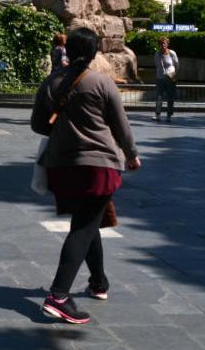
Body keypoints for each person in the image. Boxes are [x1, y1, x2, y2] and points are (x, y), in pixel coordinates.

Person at [30, 27, 141, 325]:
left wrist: (65, 128)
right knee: (83, 225)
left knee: (89, 220)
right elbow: (121, 125)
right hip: (98, 165)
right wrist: (131, 154)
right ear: (94, 53)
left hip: (61, 166)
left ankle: (98, 282)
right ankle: (58, 296)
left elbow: (38, 125)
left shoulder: (51, 82)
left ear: (67, 50)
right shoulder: (102, 82)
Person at [154, 37, 179, 123]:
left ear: (167, 44)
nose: (163, 45)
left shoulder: (172, 53)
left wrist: (173, 74)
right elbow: (157, 66)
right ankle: (158, 115)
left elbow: (176, 65)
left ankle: (169, 116)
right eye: (161, 43)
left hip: (170, 78)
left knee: (170, 97)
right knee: (158, 97)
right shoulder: (157, 54)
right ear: (159, 45)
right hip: (160, 78)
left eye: (164, 43)